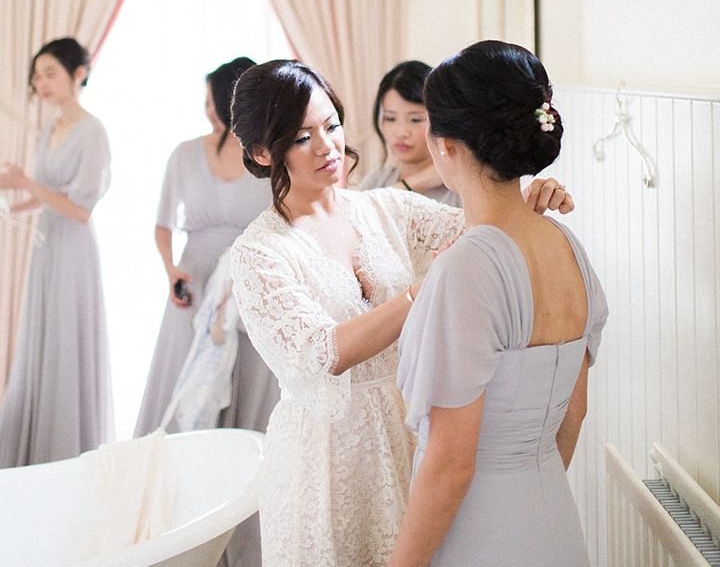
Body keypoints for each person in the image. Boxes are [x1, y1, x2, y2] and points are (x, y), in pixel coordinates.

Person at [228, 59, 573, 566]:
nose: (326, 146)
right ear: (262, 152)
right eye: (301, 138)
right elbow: (325, 352)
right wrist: (420, 292)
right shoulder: (259, 253)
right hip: (325, 461)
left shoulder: (386, 208)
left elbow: (478, 227)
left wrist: (530, 196)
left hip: (409, 435)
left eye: (331, 125)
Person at [390, 41, 608, 566]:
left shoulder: (465, 268)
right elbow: (572, 415)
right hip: (552, 517)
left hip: (478, 531)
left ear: (446, 145)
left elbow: (450, 465)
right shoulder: (567, 247)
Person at [0, 37, 113, 468]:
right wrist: (5, 207)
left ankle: (66, 452)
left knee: (65, 341)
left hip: (74, 251)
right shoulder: (47, 130)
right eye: (36, 75)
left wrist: (24, 182)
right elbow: (46, 197)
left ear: (78, 74)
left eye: (49, 73)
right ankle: (34, 452)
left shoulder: (92, 131)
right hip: (46, 245)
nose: (40, 82)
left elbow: (78, 209)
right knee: (41, 340)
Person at [134, 57, 276, 439]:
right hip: (194, 279)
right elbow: (162, 225)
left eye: (216, 100)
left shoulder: (272, 156)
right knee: (183, 381)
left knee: (245, 378)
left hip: (250, 279)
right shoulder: (183, 154)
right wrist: (170, 269)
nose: (209, 110)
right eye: (208, 101)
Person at [361, 60, 458, 205]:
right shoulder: (376, 180)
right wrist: (412, 183)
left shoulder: (457, 187)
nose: (401, 133)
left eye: (415, 120)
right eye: (390, 118)